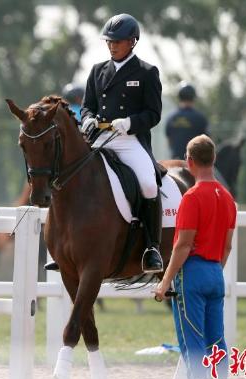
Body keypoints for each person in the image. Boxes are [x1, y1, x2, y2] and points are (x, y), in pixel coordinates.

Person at [154, 134, 236, 379]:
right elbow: (227, 247)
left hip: (193, 274)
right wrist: (214, 271)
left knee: (193, 345)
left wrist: (165, 281)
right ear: (213, 159)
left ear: (189, 162)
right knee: (217, 342)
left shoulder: (190, 197)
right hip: (215, 272)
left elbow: (183, 245)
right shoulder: (227, 198)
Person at [80, 13, 164, 272]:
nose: (112, 45)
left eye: (118, 41)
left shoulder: (147, 72)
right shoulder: (97, 71)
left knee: (149, 184)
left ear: (133, 41)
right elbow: (87, 106)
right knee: (71, 177)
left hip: (129, 140)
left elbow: (153, 114)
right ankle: (65, 243)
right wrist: (88, 120)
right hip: (100, 138)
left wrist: (129, 123)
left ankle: (152, 247)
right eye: (109, 41)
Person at [165, 82, 209, 160]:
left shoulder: (171, 118)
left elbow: (169, 142)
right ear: (193, 97)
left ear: (179, 97)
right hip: (194, 164)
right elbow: (206, 144)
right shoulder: (200, 118)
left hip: (174, 163)